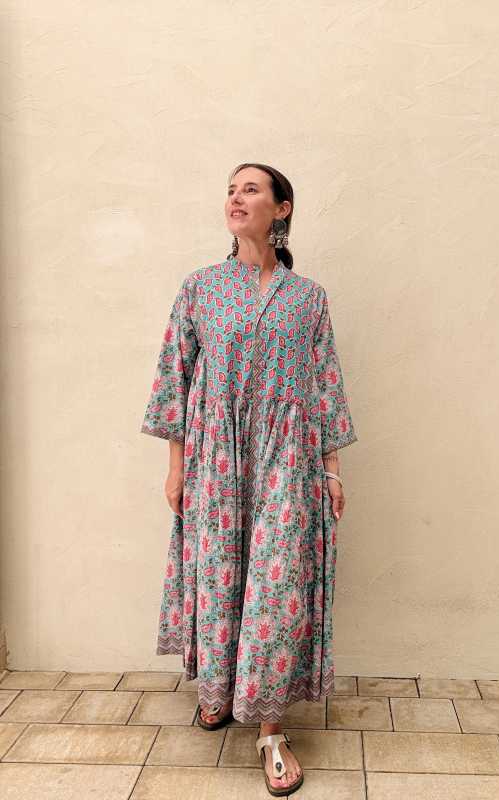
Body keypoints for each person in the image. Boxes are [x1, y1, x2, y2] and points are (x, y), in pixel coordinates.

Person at [141, 162, 357, 795]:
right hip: (216, 459)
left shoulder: (308, 297)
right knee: (220, 576)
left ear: (281, 209)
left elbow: (325, 386)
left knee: (274, 587)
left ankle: (268, 728)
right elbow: (173, 378)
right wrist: (176, 465)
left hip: (288, 459)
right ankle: (216, 689)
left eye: (251, 189)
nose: (236, 198)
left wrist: (332, 469)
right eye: (230, 190)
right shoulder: (200, 288)